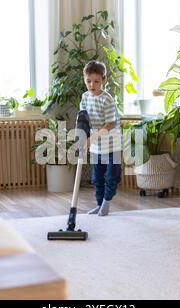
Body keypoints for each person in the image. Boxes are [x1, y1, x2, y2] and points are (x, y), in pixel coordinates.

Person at [80, 61, 122, 216]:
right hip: (96, 146)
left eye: (97, 81)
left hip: (113, 145)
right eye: (88, 81)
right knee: (97, 177)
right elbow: (83, 119)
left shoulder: (107, 99)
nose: (92, 85)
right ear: (84, 80)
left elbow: (110, 124)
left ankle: (106, 202)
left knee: (111, 175)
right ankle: (99, 203)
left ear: (104, 80)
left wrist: (94, 136)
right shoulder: (85, 98)